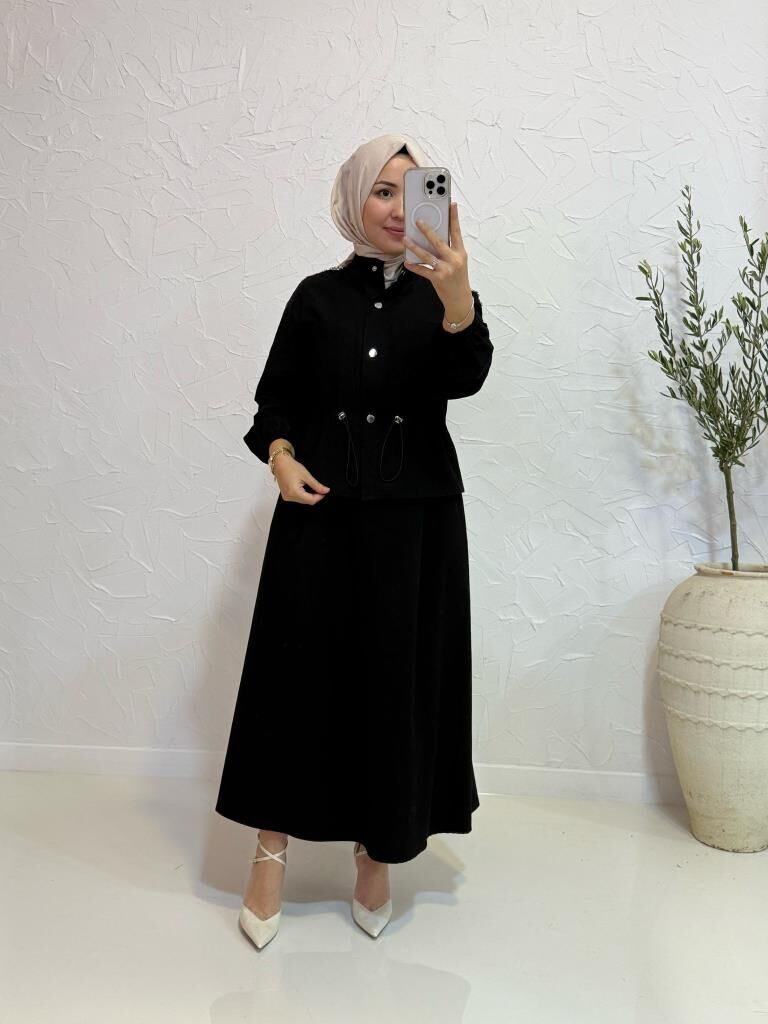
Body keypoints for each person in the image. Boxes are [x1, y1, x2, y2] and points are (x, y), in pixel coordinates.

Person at [215, 133, 494, 948]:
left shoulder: (446, 294)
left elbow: (468, 376)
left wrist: (457, 298)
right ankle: (270, 853)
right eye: (382, 190)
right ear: (353, 201)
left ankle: (379, 849)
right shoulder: (315, 298)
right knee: (293, 680)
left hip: (416, 523)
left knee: (395, 682)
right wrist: (280, 458)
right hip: (322, 513)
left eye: (414, 190)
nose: (399, 208)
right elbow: (275, 402)